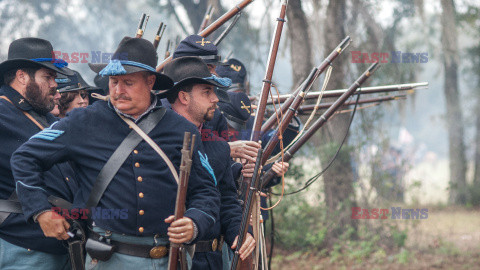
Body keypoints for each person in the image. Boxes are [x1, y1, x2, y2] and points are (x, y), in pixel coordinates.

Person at [11, 37, 220, 270]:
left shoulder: (183, 130)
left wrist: (194, 223)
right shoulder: (83, 122)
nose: (118, 90)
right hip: (107, 260)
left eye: (128, 82)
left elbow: (206, 193)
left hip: (169, 260)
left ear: (150, 81)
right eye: (113, 81)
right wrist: (41, 211)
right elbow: (25, 158)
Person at [163, 56, 255, 270]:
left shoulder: (218, 147)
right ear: (184, 97)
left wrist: (241, 233)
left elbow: (228, 202)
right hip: (170, 257)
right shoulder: (157, 140)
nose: (216, 99)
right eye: (207, 92)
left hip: (211, 259)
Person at [0, 37, 78, 269]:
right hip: (21, 247)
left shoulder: (47, 118)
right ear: (22, 76)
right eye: (48, 77)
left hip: (62, 245)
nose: (55, 84)